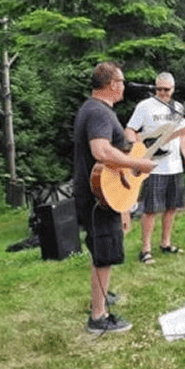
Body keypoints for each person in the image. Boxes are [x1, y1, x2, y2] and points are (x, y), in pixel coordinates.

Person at [73, 62, 156, 334]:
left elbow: (114, 155)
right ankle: (98, 317)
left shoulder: (96, 110)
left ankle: (101, 296)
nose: (124, 85)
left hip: (104, 194)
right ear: (112, 84)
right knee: (104, 255)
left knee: (103, 251)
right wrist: (141, 166)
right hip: (97, 197)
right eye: (121, 81)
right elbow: (101, 151)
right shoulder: (98, 112)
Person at [125, 72, 185, 264]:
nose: (163, 93)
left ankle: (166, 243)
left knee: (172, 206)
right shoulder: (144, 106)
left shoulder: (178, 108)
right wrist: (137, 145)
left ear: (173, 89)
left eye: (167, 89)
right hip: (152, 166)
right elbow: (130, 129)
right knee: (150, 209)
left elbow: (183, 135)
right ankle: (145, 249)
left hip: (174, 166)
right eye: (159, 89)